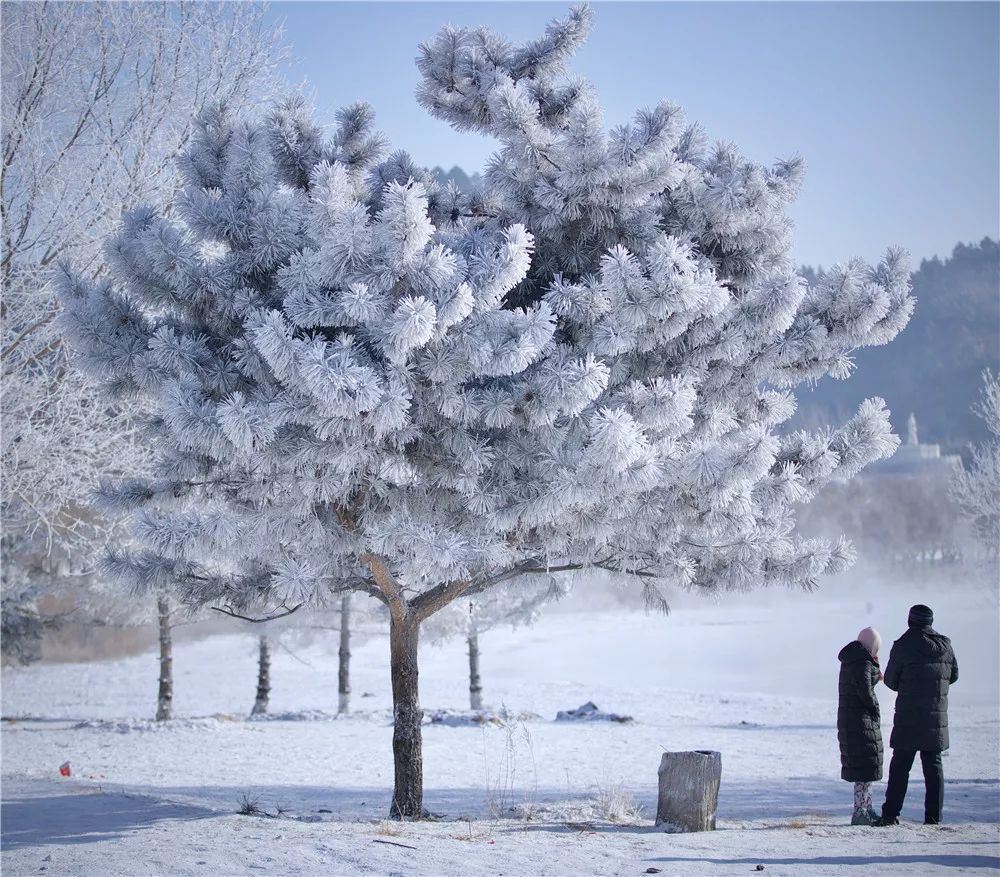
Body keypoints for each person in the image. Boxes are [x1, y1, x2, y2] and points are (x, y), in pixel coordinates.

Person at [874, 604, 959, 826]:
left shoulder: (903, 645)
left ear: (910, 621)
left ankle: (890, 814)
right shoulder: (945, 645)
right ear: (930, 621)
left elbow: (891, 681)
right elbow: (954, 675)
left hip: (909, 717)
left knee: (901, 765)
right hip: (936, 716)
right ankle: (934, 817)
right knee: (934, 766)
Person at [837, 626, 884, 825]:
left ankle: (866, 807)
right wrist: (874, 706)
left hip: (853, 720)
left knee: (865, 769)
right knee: (863, 770)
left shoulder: (854, 659)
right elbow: (865, 691)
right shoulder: (862, 663)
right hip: (860, 722)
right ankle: (860, 811)